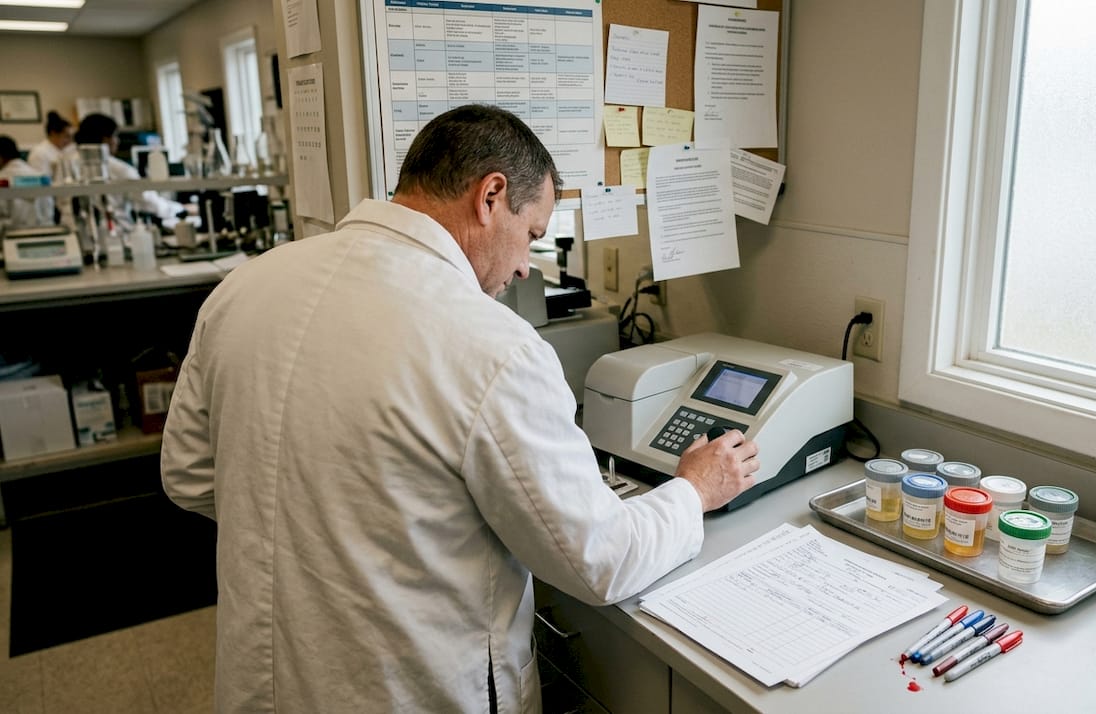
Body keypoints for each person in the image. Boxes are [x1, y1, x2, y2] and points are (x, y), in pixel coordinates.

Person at [160, 104, 761, 713]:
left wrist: (309, 525)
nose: (527, 265)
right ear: (491, 196)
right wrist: (694, 490)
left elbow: (186, 476)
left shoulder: (244, 288)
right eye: (530, 235)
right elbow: (597, 560)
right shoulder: (490, 344)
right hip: (409, 690)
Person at [73, 113, 192, 228]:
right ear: (105, 139)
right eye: (115, 136)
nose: (117, 141)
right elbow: (149, 203)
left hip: (76, 229)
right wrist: (181, 208)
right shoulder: (118, 169)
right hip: (117, 230)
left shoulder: (68, 161)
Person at [0, 135, 55, 229]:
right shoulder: (40, 177)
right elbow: (48, 211)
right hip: (45, 232)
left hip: (10, 235)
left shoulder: (3, 178)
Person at [25, 110, 75, 179]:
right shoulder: (39, 152)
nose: (70, 141)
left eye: (71, 137)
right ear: (53, 133)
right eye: (66, 136)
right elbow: (41, 181)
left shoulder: (67, 150)